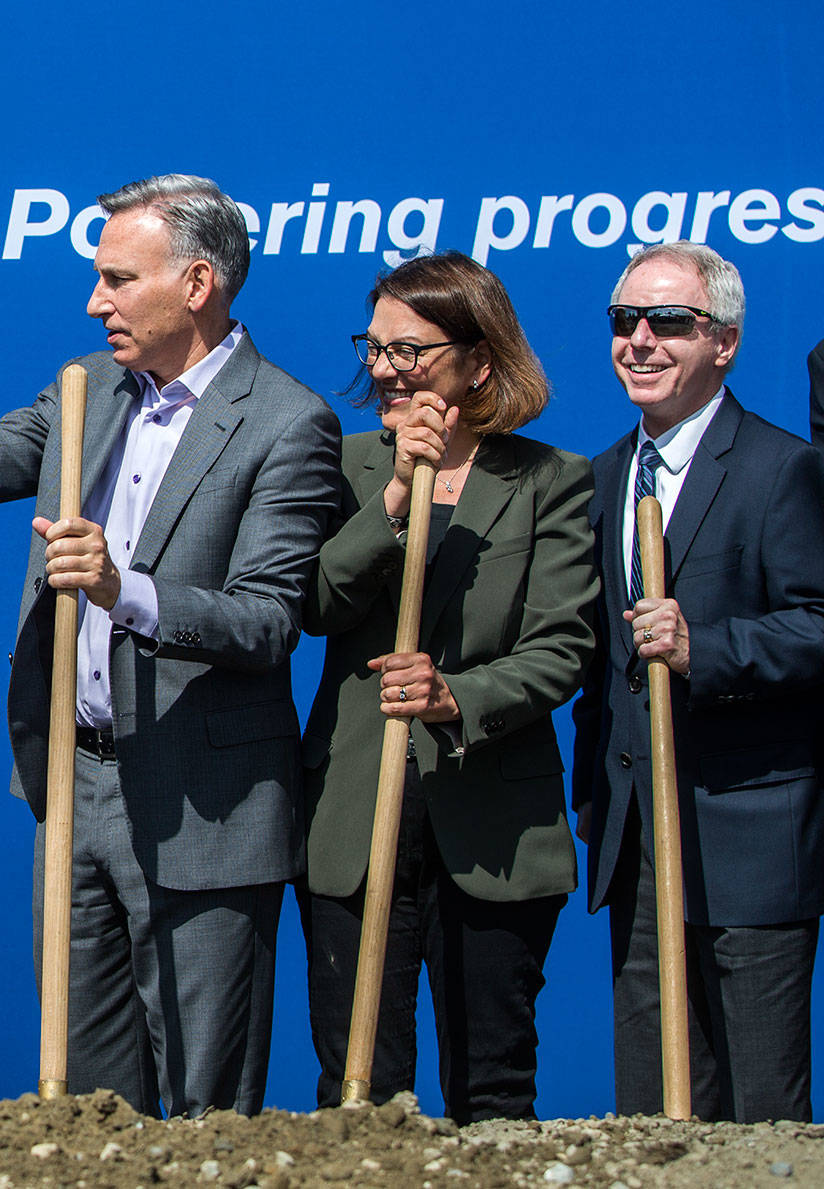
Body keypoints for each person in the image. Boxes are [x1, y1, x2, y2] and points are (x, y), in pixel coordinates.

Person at [0, 173, 343, 1117]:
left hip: (204, 809)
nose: (97, 300)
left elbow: (267, 618)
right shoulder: (88, 392)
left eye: (119, 279)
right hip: (73, 789)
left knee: (207, 1105)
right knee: (86, 1099)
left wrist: (128, 591)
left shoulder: (289, 422)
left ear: (197, 284)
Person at [297, 252, 597, 1122]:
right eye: (377, 347)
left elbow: (561, 645)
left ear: (480, 361)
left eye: (412, 350)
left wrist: (456, 695)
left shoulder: (550, 480)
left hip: (492, 820)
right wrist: (395, 495)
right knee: (358, 1089)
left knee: (494, 1089)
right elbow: (313, 602)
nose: (388, 369)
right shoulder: (345, 462)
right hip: (354, 812)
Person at [573, 241, 824, 1122]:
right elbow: (598, 670)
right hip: (638, 842)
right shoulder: (599, 479)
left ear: (723, 342)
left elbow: (818, 624)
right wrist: (592, 801)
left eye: (667, 322)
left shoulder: (780, 467)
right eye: (623, 321)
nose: (639, 340)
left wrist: (703, 647)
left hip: (751, 838)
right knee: (654, 1112)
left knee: (760, 1115)